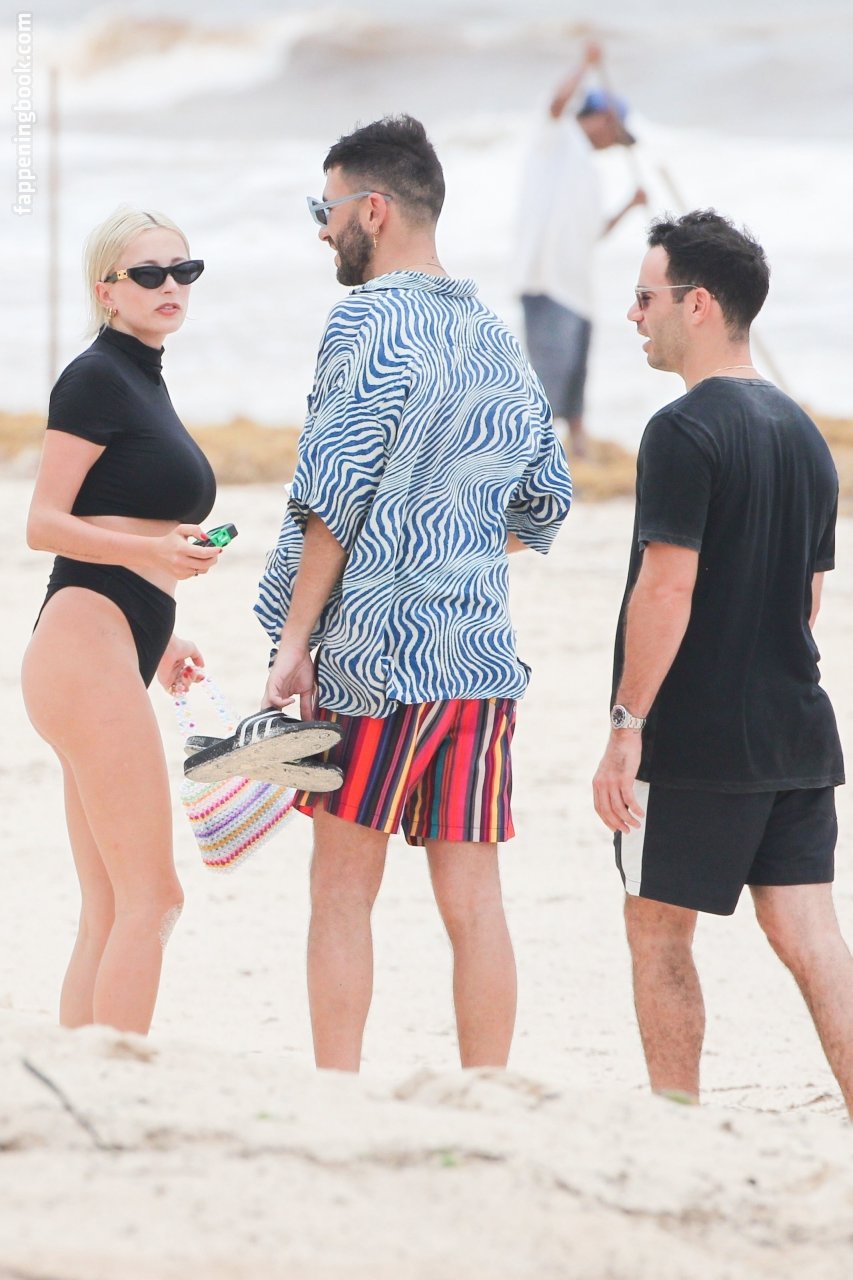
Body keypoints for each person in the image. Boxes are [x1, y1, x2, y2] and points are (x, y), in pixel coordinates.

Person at [255, 114, 573, 1072]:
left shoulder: (365, 321)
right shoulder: (493, 334)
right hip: (476, 659)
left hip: (374, 661)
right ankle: (488, 1092)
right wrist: (452, 540)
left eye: (324, 208)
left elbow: (331, 497)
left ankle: (338, 1093)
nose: (320, 228)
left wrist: (293, 640)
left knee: (341, 891)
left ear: (373, 210)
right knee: (474, 903)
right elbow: (545, 502)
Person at [592, 209, 853, 1115]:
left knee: (657, 931)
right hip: (795, 732)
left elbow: (667, 588)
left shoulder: (680, 430)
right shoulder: (805, 434)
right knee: (813, 939)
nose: (633, 315)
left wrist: (625, 726)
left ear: (696, 303)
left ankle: (676, 1122)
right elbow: (807, 599)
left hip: (695, 741)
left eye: (644, 297)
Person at [21, 207, 220, 1035]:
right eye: (148, 273)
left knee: (109, 906)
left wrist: (161, 634)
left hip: (108, 643)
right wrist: (157, 553)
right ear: (107, 291)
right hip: (82, 645)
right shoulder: (96, 376)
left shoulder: (143, 377)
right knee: (154, 898)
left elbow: (120, 526)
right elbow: (42, 524)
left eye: (184, 270)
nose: (170, 285)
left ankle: (82, 1075)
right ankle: (122, 1077)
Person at [516, 40, 647, 457]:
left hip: (578, 290)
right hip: (547, 281)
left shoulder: (591, 172)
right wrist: (585, 66)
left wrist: (629, 205)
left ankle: (578, 450)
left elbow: (594, 232)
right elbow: (557, 103)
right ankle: (532, 456)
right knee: (547, 379)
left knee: (575, 381)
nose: (614, 143)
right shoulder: (557, 138)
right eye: (616, 134)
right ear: (604, 118)